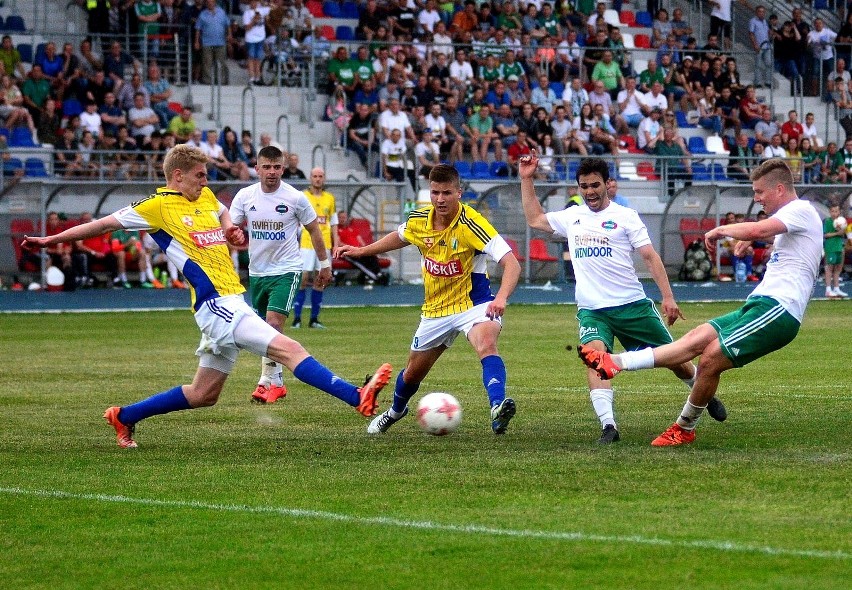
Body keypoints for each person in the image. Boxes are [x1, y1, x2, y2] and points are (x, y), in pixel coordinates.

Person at [22, 144, 392, 449]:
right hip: (217, 303)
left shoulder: (207, 197)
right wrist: (53, 239)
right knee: (288, 349)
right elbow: (103, 224)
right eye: (200, 175)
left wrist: (230, 229)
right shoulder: (158, 206)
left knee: (203, 394)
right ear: (178, 175)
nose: (206, 181)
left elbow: (223, 211)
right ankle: (355, 395)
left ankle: (124, 416)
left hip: (231, 300)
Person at [578, 158, 822, 446]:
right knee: (695, 339)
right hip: (760, 305)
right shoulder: (793, 218)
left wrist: (723, 230)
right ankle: (614, 362)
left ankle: (684, 427)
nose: (757, 198)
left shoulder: (801, 210)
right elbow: (774, 236)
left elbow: (759, 229)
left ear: (779, 189)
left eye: (759, 192)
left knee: (710, 359)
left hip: (779, 311)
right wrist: (757, 241)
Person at [518, 155, 727, 444]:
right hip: (593, 310)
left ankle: (704, 392)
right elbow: (534, 219)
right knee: (595, 358)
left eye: (595, 185)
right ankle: (608, 426)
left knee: (676, 359)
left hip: (632, 307)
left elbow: (649, 257)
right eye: (584, 186)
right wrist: (527, 178)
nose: (589, 191)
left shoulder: (625, 217)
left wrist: (668, 297)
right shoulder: (572, 216)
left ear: (607, 184)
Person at [336, 164, 521, 435]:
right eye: (435, 192)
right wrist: (361, 251)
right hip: (435, 310)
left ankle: (497, 407)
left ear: (459, 192)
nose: (440, 199)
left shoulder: (473, 224)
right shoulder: (419, 220)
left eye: (447, 192)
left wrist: (502, 298)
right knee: (412, 374)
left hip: (475, 303)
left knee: (487, 344)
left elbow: (511, 263)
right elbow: (398, 237)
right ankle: (395, 411)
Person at [229, 145, 321, 404]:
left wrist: (324, 264)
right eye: (266, 167)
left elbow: (314, 230)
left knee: (273, 324)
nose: (272, 172)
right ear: (256, 169)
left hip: (287, 269)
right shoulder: (245, 196)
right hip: (257, 272)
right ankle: (275, 381)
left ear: (284, 168)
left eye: (277, 167)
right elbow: (231, 228)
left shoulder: (295, 198)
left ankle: (265, 381)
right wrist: (233, 234)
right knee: (262, 331)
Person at [292, 167, 337, 329]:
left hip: (325, 244)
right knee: (303, 279)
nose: (317, 179)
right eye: (315, 176)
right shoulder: (303, 197)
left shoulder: (330, 198)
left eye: (320, 176)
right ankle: (297, 318)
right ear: (310, 178)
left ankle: (314, 319)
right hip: (306, 244)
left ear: (324, 179)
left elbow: (333, 223)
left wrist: (336, 243)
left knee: (321, 279)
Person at [823, 202, 848, 298]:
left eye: (836, 211)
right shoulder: (827, 221)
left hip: (839, 247)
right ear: (829, 212)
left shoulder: (841, 221)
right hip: (830, 247)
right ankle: (828, 289)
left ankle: (837, 289)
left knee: (838, 269)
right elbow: (825, 235)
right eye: (832, 211)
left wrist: (841, 232)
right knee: (829, 268)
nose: (834, 213)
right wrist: (837, 233)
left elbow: (843, 234)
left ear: (839, 212)